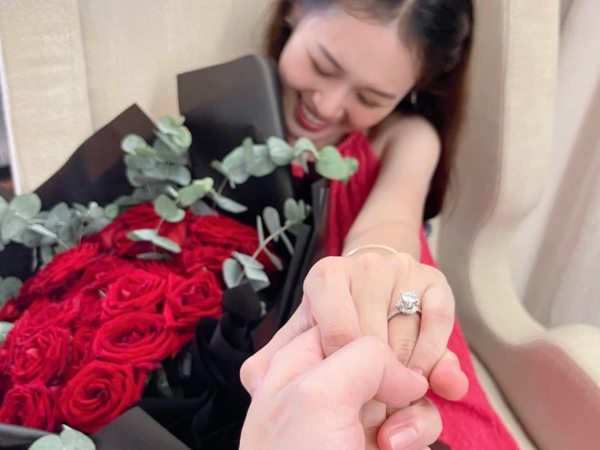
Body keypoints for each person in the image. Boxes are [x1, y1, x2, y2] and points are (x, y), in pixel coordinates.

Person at [241, 0, 519, 448]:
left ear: (413, 89)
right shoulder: (228, 110)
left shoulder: (406, 138)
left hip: (406, 362)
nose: (328, 105)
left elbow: (390, 222)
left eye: (370, 99)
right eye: (322, 65)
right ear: (293, 9)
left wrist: (376, 262)